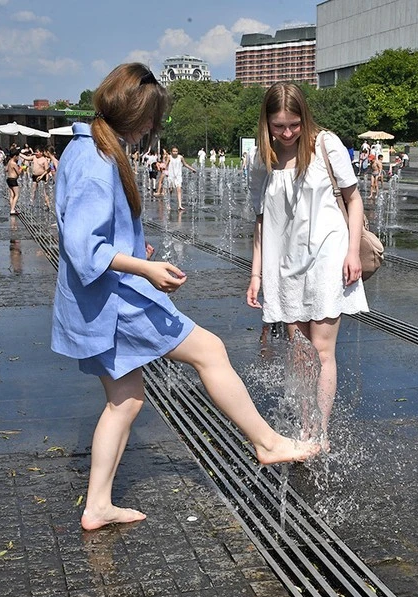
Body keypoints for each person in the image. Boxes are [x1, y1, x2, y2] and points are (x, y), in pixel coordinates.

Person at [51, 64, 319, 531]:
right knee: (210, 351)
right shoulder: (97, 161)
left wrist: (134, 248)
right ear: (135, 114)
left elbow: (94, 236)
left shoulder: (84, 148)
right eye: (152, 119)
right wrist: (144, 267)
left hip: (97, 300)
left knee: (126, 399)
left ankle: (97, 506)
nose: (153, 129)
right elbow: (85, 248)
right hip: (117, 302)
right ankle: (268, 443)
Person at [247, 82, 368, 450]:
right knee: (299, 349)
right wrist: (256, 274)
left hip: (328, 254)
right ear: (266, 123)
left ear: (305, 119)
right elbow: (260, 219)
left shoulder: (325, 145)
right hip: (285, 260)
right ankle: (305, 425)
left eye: (294, 124)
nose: (286, 133)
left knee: (322, 349)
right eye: (278, 126)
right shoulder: (261, 158)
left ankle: (321, 430)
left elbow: (354, 199)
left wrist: (352, 252)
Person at [5, 149, 22, 215]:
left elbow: (6, 169)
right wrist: (22, 168)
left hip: (9, 179)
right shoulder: (14, 163)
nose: (18, 158)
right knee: (17, 195)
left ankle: (12, 208)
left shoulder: (9, 161)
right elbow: (18, 173)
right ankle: (12, 210)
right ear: (15, 156)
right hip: (13, 180)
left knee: (12, 195)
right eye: (17, 156)